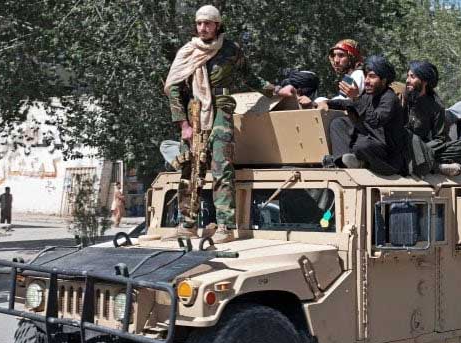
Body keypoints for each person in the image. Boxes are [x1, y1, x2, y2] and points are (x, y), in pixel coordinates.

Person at [163, 5, 295, 243]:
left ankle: (225, 225)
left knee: (222, 166)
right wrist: (183, 124)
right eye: (199, 23)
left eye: (208, 23)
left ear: (217, 25)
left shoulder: (231, 49)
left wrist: (276, 90)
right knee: (188, 168)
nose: (203, 28)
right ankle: (187, 223)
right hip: (194, 114)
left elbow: (250, 76)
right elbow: (173, 89)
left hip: (221, 110)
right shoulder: (188, 51)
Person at [319, 55, 404, 176]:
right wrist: (327, 102)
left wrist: (355, 97)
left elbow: (375, 121)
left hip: (386, 154)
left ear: (384, 80)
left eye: (372, 77)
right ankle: (341, 161)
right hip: (368, 140)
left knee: (362, 145)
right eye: (366, 76)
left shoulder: (389, 98)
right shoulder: (369, 94)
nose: (366, 81)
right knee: (339, 123)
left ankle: (362, 163)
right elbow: (349, 104)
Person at [403, 60, 461, 177]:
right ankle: (437, 167)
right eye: (408, 76)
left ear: (424, 81)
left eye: (412, 77)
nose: (408, 80)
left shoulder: (436, 106)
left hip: (424, 146)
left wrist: (423, 149)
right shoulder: (401, 97)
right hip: (402, 144)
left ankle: (421, 160)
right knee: (409, 136)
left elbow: (439, 138)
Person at [303, 39, 365, 107]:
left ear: (352, 57)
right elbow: (343, 98)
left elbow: (349, 103)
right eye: (334, 55)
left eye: (341, 55)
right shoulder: (350, 74)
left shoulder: (358, 74)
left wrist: (326, 102)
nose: (336, 60)